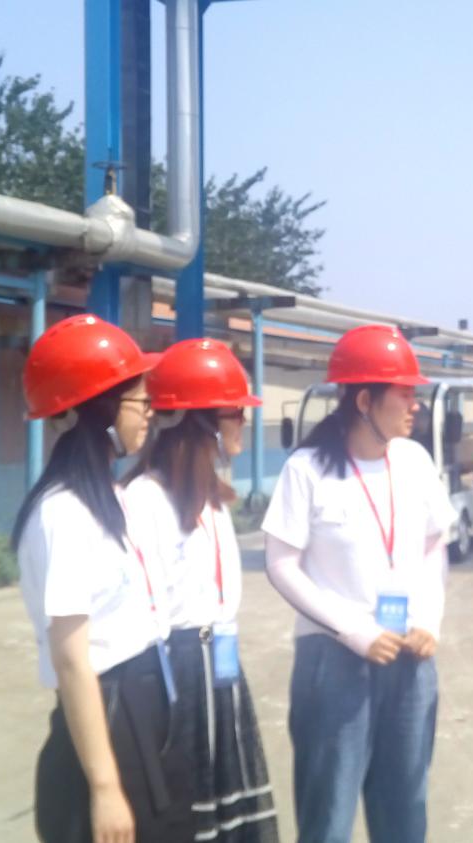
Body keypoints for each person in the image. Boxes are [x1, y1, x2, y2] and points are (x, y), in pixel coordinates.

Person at [261, 324, 457, 843]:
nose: (415, 404)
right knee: (329, 814)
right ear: (365, 400)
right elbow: (281, 564)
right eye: (404, 393)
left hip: (410, 655)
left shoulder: (414, 461)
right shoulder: (308, 470)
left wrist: (429, 619)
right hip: (334, 660)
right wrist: (352, 630)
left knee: (405, 812)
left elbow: (434, 544)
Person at [13, 313, 194, 843]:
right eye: (140, 401)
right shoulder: (63, 513)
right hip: (107, 718)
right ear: (101, 409)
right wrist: (105, 787)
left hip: (142, 707)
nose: (150, 412)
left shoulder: (112, 498)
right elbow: (72, 659)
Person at [123, 338, 279, 842]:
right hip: (179, 670)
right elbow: (146, 609)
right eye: (236, 412)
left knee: (232, 811)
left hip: (220, 663)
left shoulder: (211, 498)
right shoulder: (146, 499)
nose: (244, 422)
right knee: (189, 813)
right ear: (203, 421)